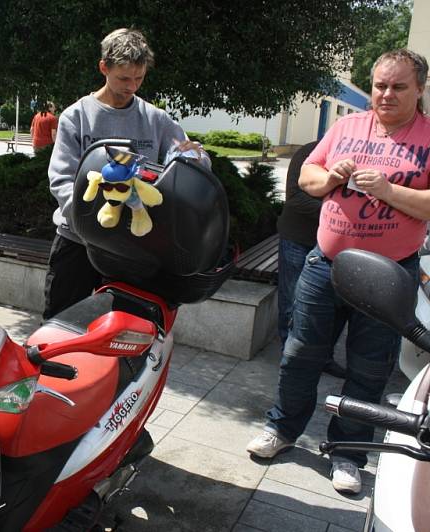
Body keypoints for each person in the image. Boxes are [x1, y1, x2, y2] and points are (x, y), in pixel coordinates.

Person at [247, 49, 430, 495]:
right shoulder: (347, 125)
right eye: (379, 85)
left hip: (388, 276)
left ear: (420, 89)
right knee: (299, 354)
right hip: (324, 265)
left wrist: (388, 190)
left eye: (398, 86)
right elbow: (308, 176)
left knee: (368, 369)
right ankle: (283, 429)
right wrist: (330, 176)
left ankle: (347, 453)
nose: (385, 94)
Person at [44, 28, 209, 320]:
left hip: (133, 247)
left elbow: (193, 157)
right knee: (61, 327)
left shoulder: (155, 119)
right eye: (124, 78)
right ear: (103, 67)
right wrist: (90, 222)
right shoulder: (76, 117)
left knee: (126, 332)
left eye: (139, 78)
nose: (132, 86)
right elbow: (61, 181)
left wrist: (193, 155)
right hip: (78, 243)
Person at [277, 141, 346, 379]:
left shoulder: (365, 159)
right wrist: (344, 215)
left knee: (338, 307)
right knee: (292, 303)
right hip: (300, 240)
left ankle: (324, 358)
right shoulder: (310, 152)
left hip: (339, 247)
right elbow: (296, 197)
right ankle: (290, 358)